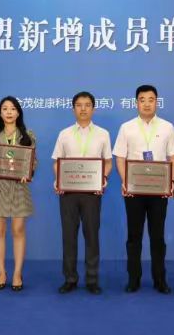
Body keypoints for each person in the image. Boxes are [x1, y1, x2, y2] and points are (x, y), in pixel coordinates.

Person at [112, 85, 174, 294]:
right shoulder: (126, 127)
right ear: (136, 103)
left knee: (157, 237)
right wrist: (125, 181)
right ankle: (134, 279)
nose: (147, 104)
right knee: (134, 236)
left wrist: (170, 181)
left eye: (151, 99)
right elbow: (120, 157)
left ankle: (160, 280)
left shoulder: (167, 127)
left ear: (157, 102)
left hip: (159, 192)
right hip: (134, 191)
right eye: (142, 100)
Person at [51, 91, 113, 295]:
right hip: (68, 192)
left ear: (93, 109)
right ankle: (70, 278)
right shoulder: (64, 134)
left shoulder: (103, 134)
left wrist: (103, 178)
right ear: (73, 109)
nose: (83, 108)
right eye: (79, 105)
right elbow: (56, 162)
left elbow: (108, 162)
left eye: (87, 105)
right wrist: (59, 180)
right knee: (69, 236)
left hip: (92, 193)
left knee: (92, 235)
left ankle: (92, 280)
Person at [0, 96, 37, 292]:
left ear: (18, 112)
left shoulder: (28, 134)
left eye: (13, 108)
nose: (9, 112)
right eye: (5, 109)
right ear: (0, 112)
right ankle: (1, 273)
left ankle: (17, 273)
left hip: (19, 188)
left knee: (18, 230)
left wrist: (28, 172)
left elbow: (33, 161)